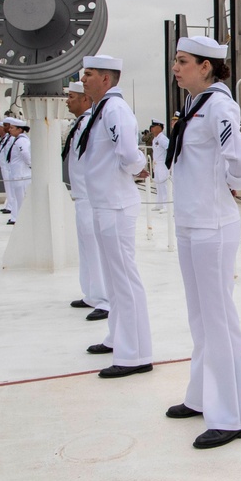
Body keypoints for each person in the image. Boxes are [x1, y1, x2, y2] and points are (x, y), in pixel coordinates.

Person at [165, 35, 241, 450]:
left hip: (210, 226)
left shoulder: (219, 106)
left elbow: (239, 162)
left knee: (218, 320)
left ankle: (233, 415)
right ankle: (202, 396)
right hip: (189, 222)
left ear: (206, 66)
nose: (176, 67)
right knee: (199, 318)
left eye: (183, 61)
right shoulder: (194, 105)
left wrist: (236, 188)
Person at [77, 54, 155, 379]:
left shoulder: (115, 110)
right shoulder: (100, 110)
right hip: (102, 202)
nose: (83, 79)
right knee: (113, 279)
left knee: (124, 279)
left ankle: (136, 353)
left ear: (106, 80)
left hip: (116, 204)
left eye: (89, 74)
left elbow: (128, 153)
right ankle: (117, 338)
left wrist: (138, 170)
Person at [63, 81, 109, 322]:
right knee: (86, 249)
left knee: (96, 249)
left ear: (84, 99)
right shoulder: (80, 123)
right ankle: (91, 293)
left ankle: (104, 299)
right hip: (81, 195)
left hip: (91, 196)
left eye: (71, 97)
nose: (67, 101)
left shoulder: (92, 123)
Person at [4, 118, 31, 225]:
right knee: (19, 200)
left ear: (20, 129)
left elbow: (26, 154)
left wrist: (31, 165)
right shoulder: (18, 140)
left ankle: (24, 222)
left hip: (22, 176)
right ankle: (21, 220)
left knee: (22, 201)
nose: (10, 130)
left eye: (12, 128)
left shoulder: (21, 141)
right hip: (18, 175)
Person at [149, 118, 170, 212]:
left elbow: (169, 149)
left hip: (162, 164)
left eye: (154, 127)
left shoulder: (162, 138)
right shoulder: (155, 139)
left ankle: (166, 205)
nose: (152, 129)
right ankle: (159, 204)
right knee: (158, 184)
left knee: (164, 185)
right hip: (156, 164)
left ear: (159, 128)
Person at [0, 118, 13, 215]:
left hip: (8, 167)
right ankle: (9, 204)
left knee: (10, 187)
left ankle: (11, 206)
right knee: (8, 187)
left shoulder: (10, 139)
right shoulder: (5, 139)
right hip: (5, 167)